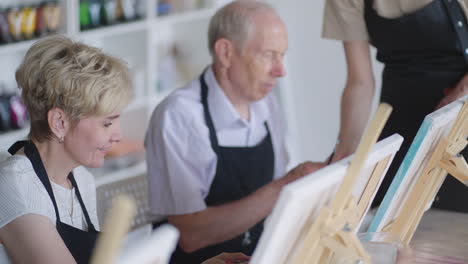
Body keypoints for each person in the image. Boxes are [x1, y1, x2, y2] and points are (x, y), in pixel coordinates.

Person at [145, 1, 324, 263]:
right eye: (267, 55)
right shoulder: (180, 116)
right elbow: (191, 236)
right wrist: (286, 185)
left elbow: (273, 208)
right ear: (226, 52)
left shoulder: (267, 104)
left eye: (282, 55)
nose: (280, 70)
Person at [323, 0, 468, 210]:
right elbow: (360, 83)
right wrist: (344, 151)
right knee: (389, 215)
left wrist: (454, 101)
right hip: (401, 120)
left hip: (459, 111)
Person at [0, 35, 132, 264]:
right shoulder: (16, 185)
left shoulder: (81, 179)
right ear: (60, 122)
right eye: (107, 123)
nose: (118, 135)